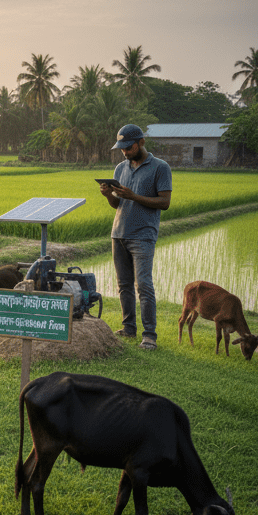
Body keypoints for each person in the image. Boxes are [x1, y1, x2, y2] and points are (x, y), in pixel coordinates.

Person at [99, 124, 172, 350]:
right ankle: (129, 327)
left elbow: (165, 202)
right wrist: (108, 195)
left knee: (144, 285)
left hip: (143, 236)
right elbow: (117, 204)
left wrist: (134, 196)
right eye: (121, 148)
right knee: (124, 285)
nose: (124, 152)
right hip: (118, 233)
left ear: (141, 142)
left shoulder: (160, 167)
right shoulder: (120, 168)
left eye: (128, 147)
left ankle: (149, 335)